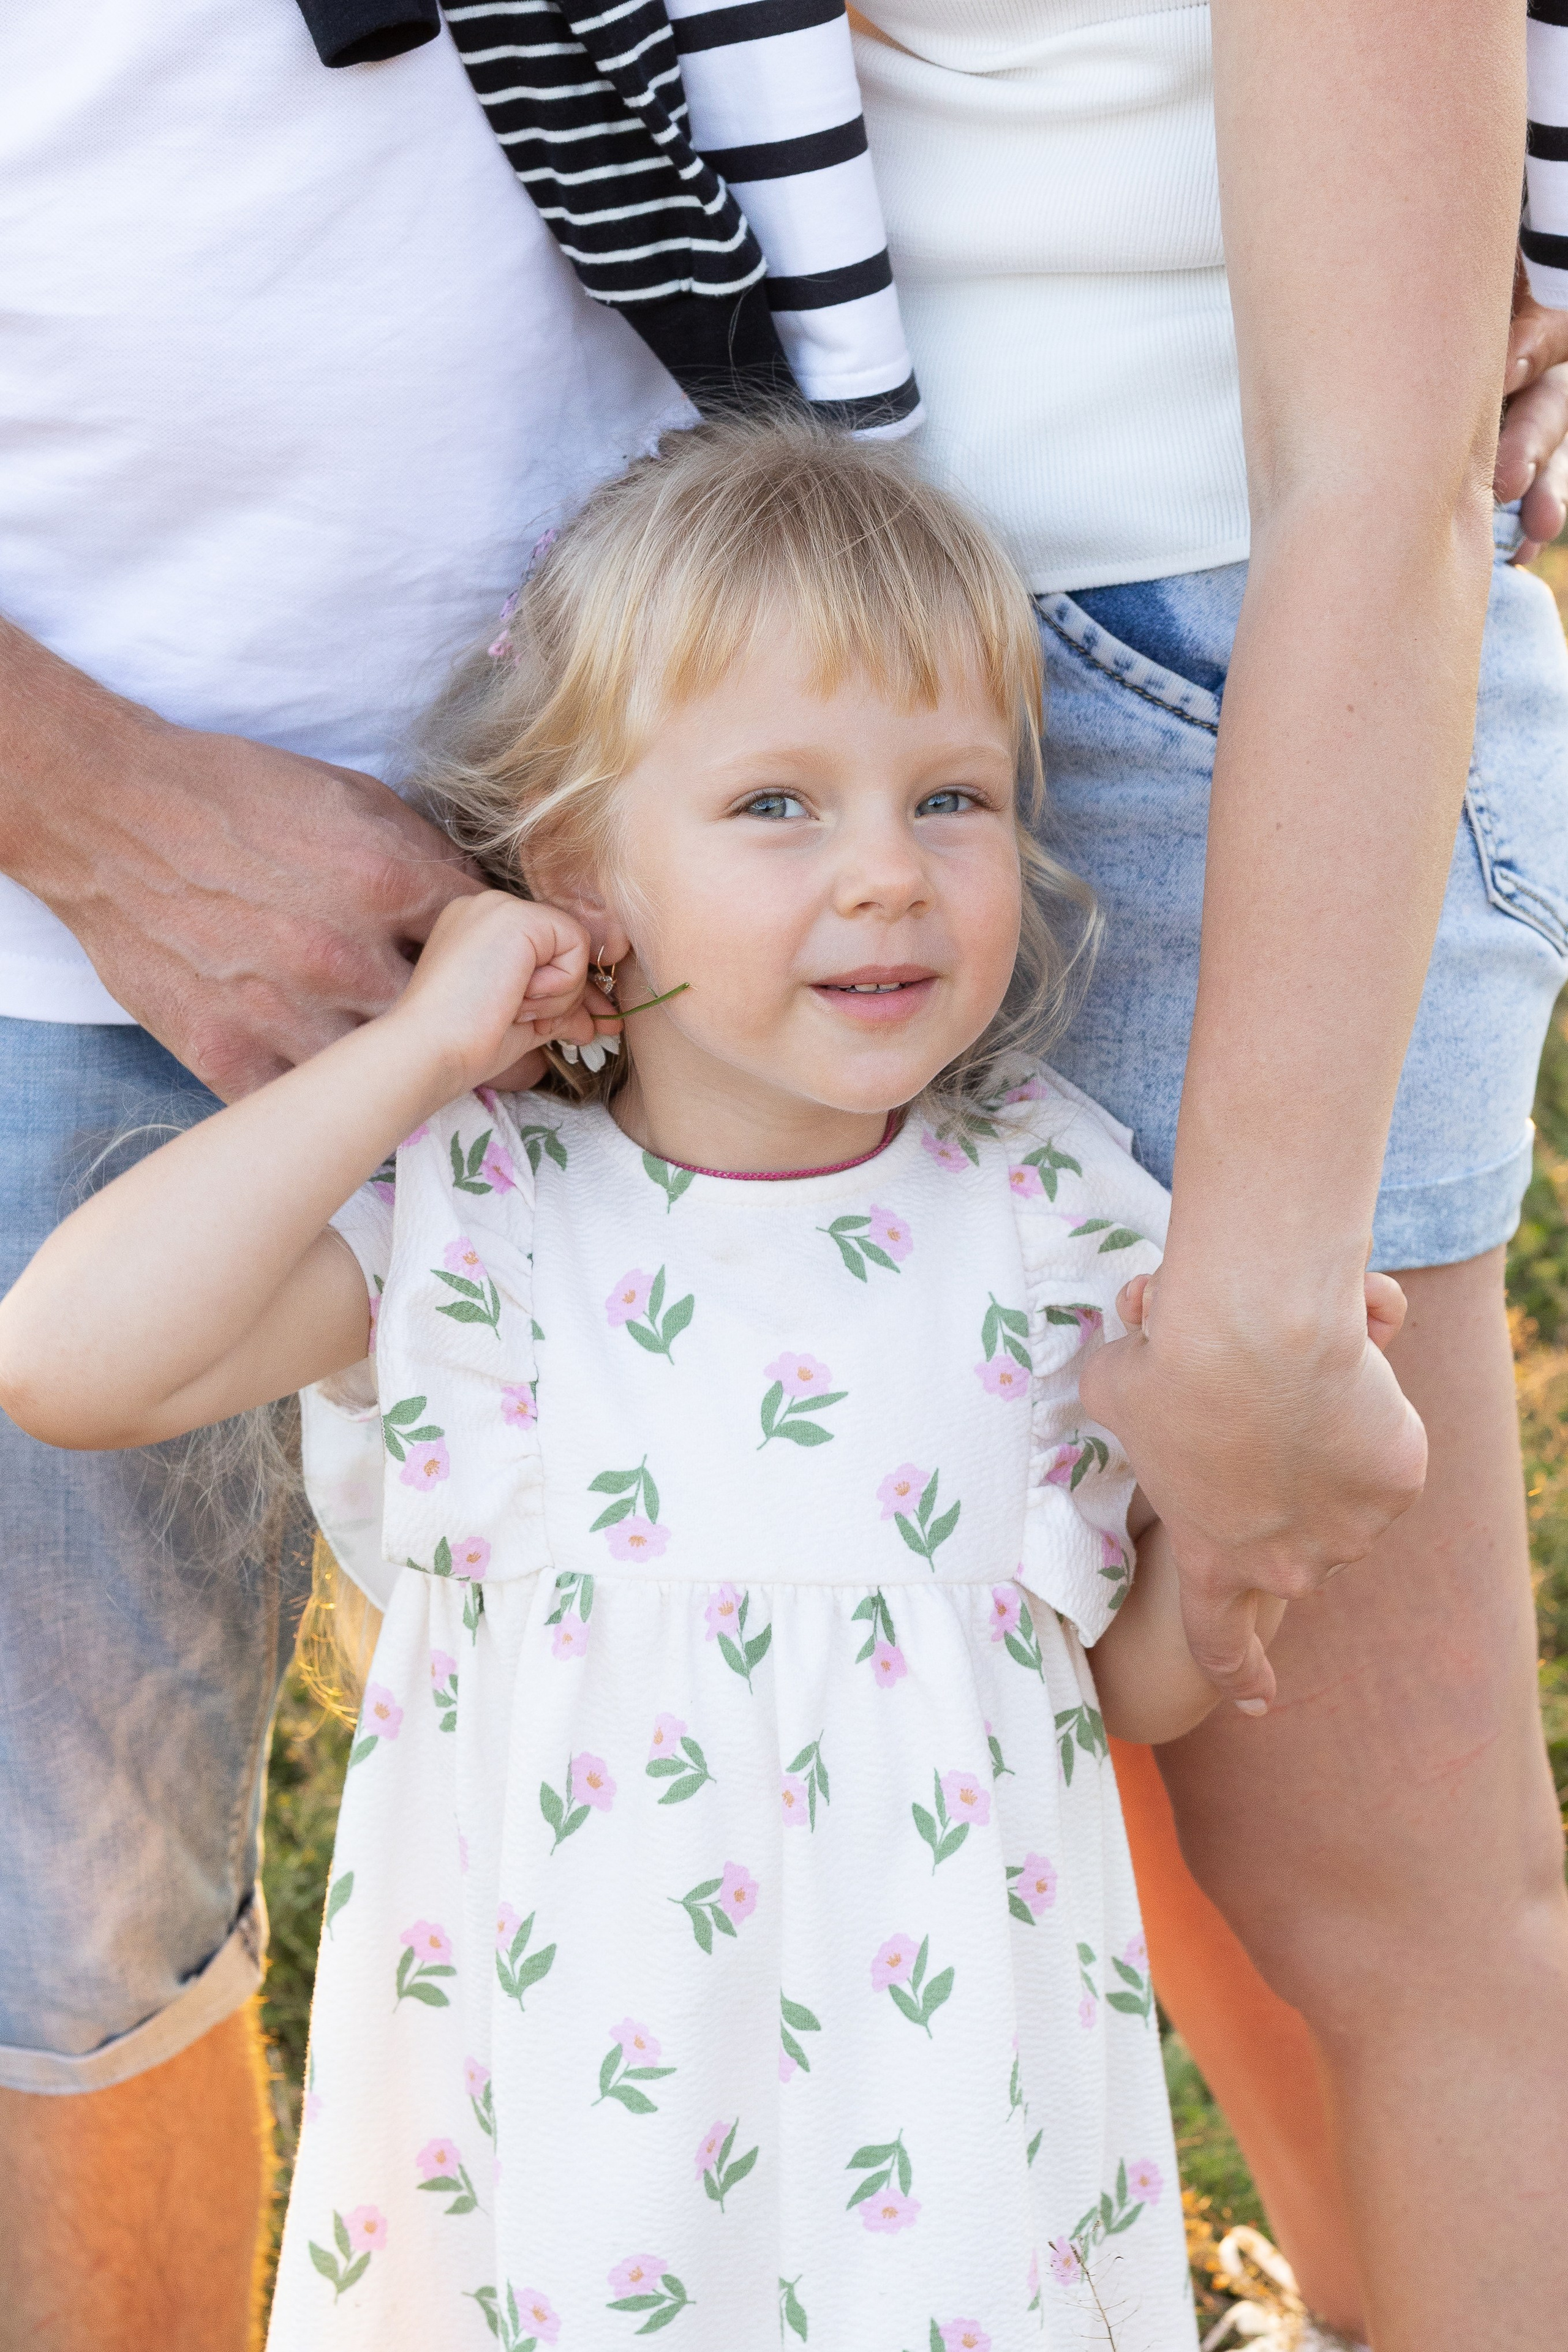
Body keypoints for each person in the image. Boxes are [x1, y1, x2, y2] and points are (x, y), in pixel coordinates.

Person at [0, 416, 1374, 2343]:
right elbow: (66, 1362)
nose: (889, 875)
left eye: (954, 798)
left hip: (942, 2137)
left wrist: (1223, 1540)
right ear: (577, 866)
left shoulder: (1052, 1213)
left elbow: (1102, 1685)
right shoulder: (484, 1217)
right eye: (780, 807)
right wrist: (413, 1054)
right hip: (572, 2146)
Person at [847, 1, 1568, 2342]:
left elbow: (1375, 454)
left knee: (1364, 1880)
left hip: (1194, 661)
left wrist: (1267, 1277)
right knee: (1081, 1781)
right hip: (792, 669)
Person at [0, 5, 688, 2340]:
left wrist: (1477, 254)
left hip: (727, 864)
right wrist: (72, 797)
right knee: (61, 1942)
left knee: (771, 1780)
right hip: (42, 943)